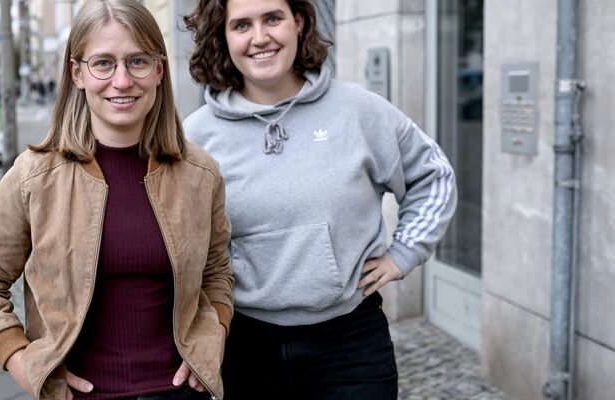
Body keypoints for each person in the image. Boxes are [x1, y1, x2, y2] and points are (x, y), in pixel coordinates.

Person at [0, 1, 234, 399]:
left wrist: (213, 336)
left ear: (158, 70)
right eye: (103, 63)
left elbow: (218, 271)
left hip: (183, 392)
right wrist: (22, 362)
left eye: (137, 61)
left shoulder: (199, 174)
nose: (121, 81)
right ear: (77, 73)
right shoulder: (35, 177)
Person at [183, 0, 457, 398]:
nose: (260, 38)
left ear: (297, 22)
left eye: (273, 19)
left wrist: (405, 252)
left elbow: (434, 176)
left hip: (349, 344)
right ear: (223, 37)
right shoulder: (197, 136)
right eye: (241, 25)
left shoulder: (358, 110)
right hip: (243, 344)